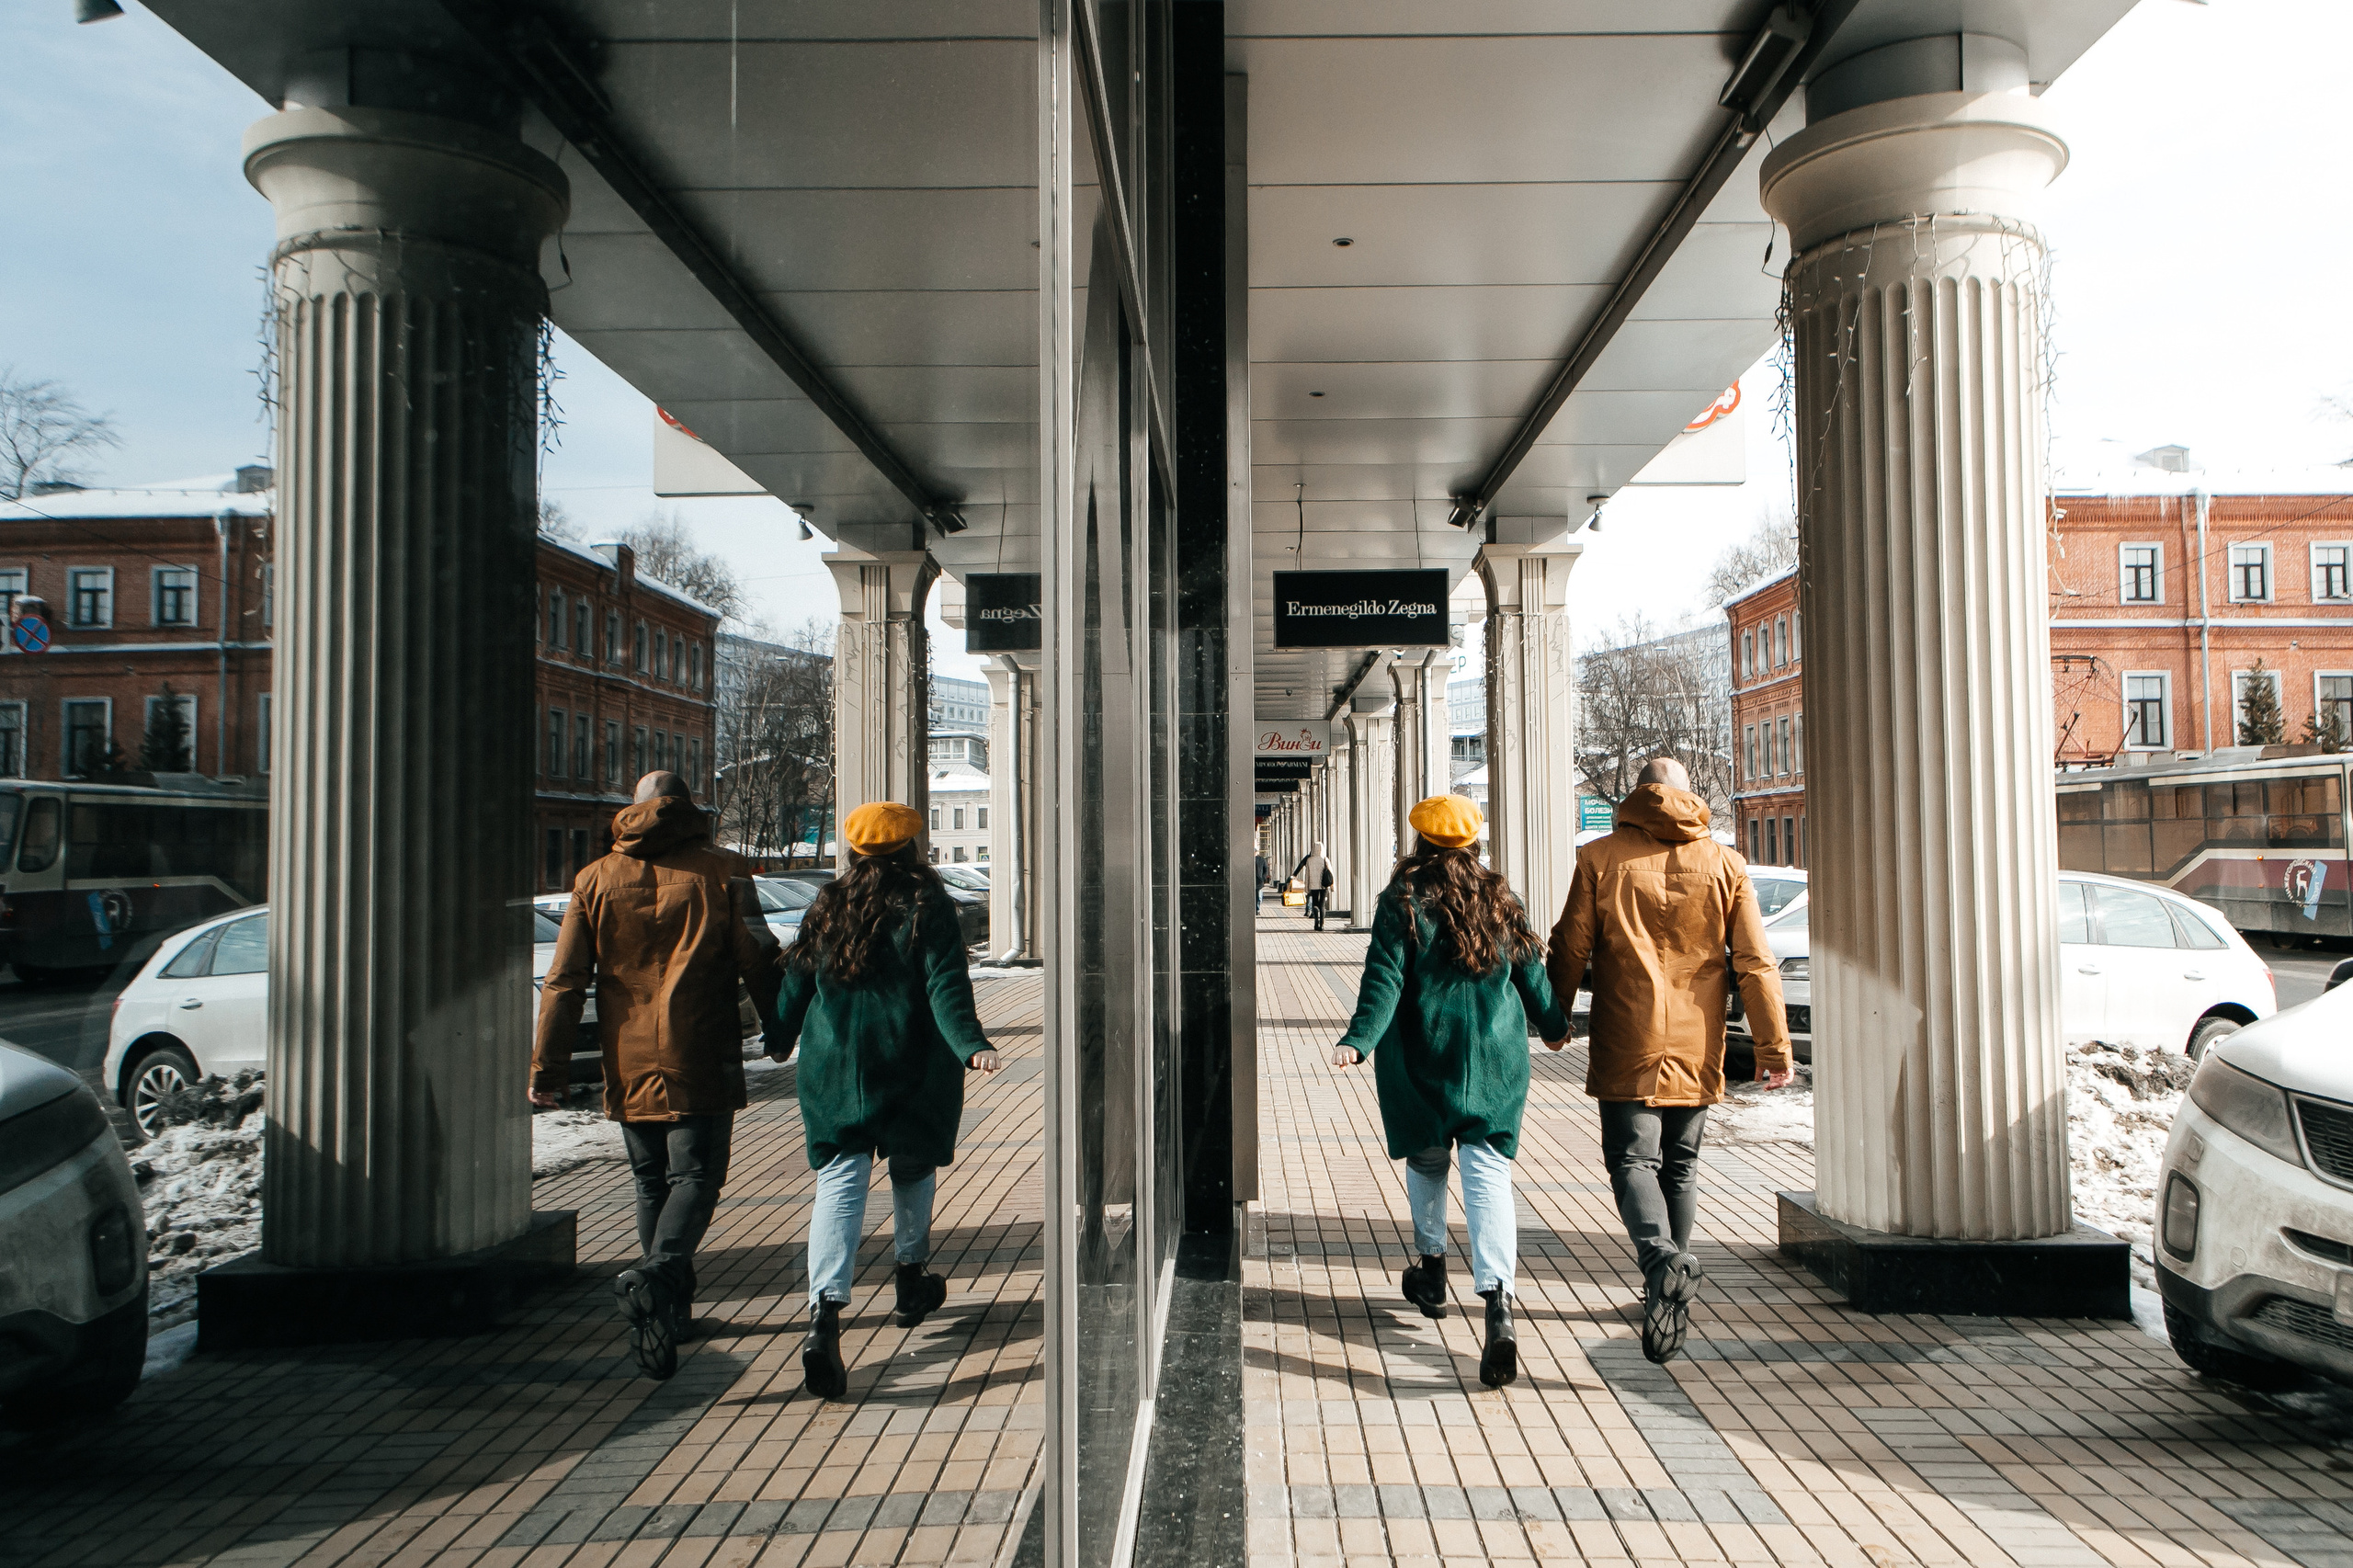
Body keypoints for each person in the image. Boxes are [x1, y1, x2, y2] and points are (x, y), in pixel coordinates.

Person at [532, 770, 783, 1381]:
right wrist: (782, 1026)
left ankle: (673, 1315)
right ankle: (659, 1274)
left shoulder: (595, 878)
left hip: (628, 1054)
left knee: (651, 1182)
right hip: (699, 1046)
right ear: (690, 809)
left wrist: (549, 1065)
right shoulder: (722, 870)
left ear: (634, 810)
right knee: (696, 1175)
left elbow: (565, 981)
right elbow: (757, 955)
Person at [1544, 756, 1791, 1366]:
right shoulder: (1725, 863)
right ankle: (1670, 1292)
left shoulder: (1600, 859)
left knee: (1632, 1159)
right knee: (1679, 1166)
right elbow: (1755, 963)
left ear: (1637, 794)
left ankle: (1660, 1263)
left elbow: (1570, 945)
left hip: (1627, 1030)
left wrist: (1552, 1019)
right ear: (1687, 796)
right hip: (1697, 1037)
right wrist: (1772, 1047)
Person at [1330, 795, 1567, 1390]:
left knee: (1430, 1162)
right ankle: (1499, 1305)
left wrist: (1359, 1040)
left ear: (1422, 845)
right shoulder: (1499, 899)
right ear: (1471, 843)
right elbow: (1531, 972)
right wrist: (1557, 1026)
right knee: (1488, 1177)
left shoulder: (1403, 901)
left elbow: (1384, 977)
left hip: (1425, 1061)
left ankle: (1432, 1270)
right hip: (1494, 1062)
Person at [771, 801, 1001, 1400]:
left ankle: (825, 1316)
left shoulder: (828, 905)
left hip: (836, 1069)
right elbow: (945, 985)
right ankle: (909, 1277)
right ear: (910, 850)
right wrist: (971, 1045)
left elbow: (796, 980)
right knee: (913, 1167)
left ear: (855, 852)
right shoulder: (927, 905)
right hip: (911, 1065)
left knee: (840, 1183)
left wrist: (778, 1034)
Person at [1291, 840, 1335, 931]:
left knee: (1315, 903)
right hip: (1324, 886)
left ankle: (1316, 923)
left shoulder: (1309, 860)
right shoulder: (1325, 859)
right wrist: (1332, 886)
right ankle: (1322, 925)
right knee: (1322, 905)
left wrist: (1306, 887)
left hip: (1313, 885)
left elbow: (1307, 875)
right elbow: (1331, 873)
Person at [1255, 850, 1271, 914]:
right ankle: (1255, 908)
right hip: (1252, 880)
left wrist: (1263, 877)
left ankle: (1257, 909)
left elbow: (1265, 869)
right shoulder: (1249, 859)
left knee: (1258, 896)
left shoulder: (1261, 860)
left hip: (1259, 880)